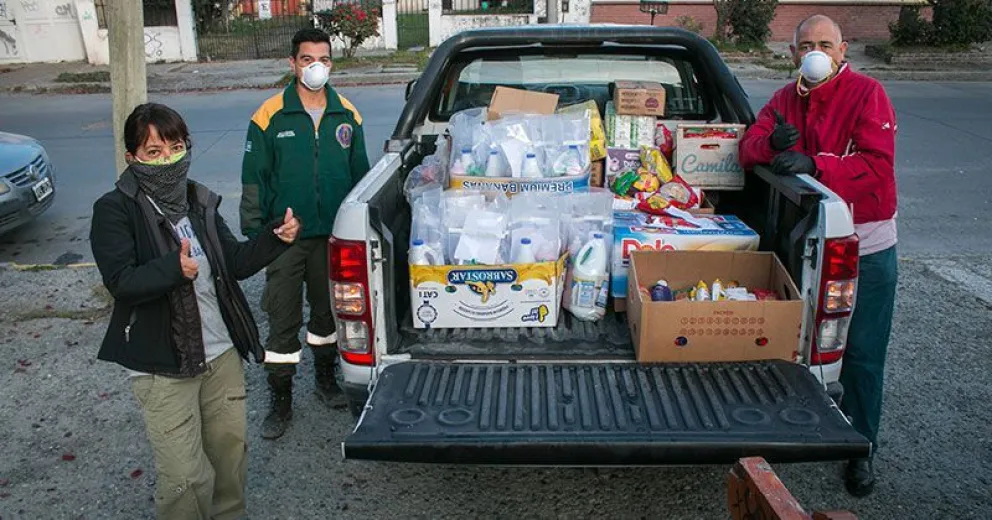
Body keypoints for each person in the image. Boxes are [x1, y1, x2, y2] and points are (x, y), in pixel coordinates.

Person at [90, 103, 300, 519]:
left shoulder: (197, 201)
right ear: (132, 158)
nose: (168, 159)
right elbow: (121, 281)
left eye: (176, 147)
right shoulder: (115, 209)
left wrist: (275, 236)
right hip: (162, 367)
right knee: (185, 478)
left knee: (229, 462)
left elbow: (235, 262)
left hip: (220, 355)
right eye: (154, 152)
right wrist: (172, 269)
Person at [739, 15, 898, 498]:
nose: (816, 52)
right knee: (796, 344)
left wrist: (816, 164)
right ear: (793, 55)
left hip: (862, 246)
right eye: (807, 44)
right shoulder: (787, 98)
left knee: (862, 355)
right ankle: (789, 428)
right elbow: (749, 147)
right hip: (801, 242)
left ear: (843, 50)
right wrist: (773, 144)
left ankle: (860, 450)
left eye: (825, 44)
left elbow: (876, 165)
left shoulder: (869, 94)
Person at [240, 27, 371, 440]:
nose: (317, 67)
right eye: (308, 59)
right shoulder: (269, 116)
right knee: (281, 321)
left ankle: (326, 379)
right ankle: (280, 399)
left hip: (330, 239)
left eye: (324, 60)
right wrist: (259, 237)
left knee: (326, 316)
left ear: (332, 63)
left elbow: (361, 179)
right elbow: (253, 182)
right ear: (293, 63)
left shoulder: (347, 115)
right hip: (284, 239)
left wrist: (358, 230)